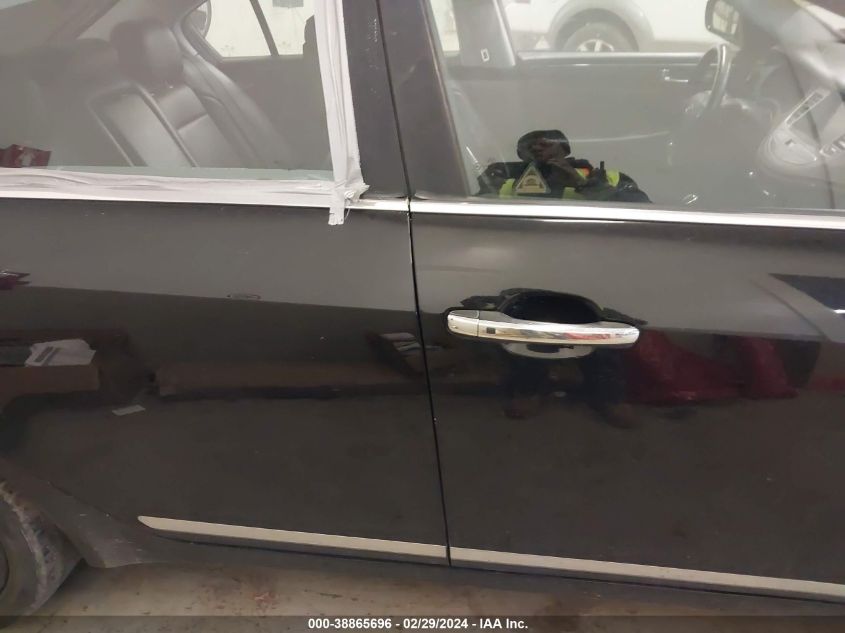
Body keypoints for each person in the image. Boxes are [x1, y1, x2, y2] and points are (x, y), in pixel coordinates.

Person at [480, 129, 650, 203]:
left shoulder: (607, 178)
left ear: (565, 149)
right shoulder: (506, 181)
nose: (536, 148)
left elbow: (642, 208)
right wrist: (487, 187)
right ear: (520, 154)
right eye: (529, 146)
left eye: (545, 144)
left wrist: (584, 185)